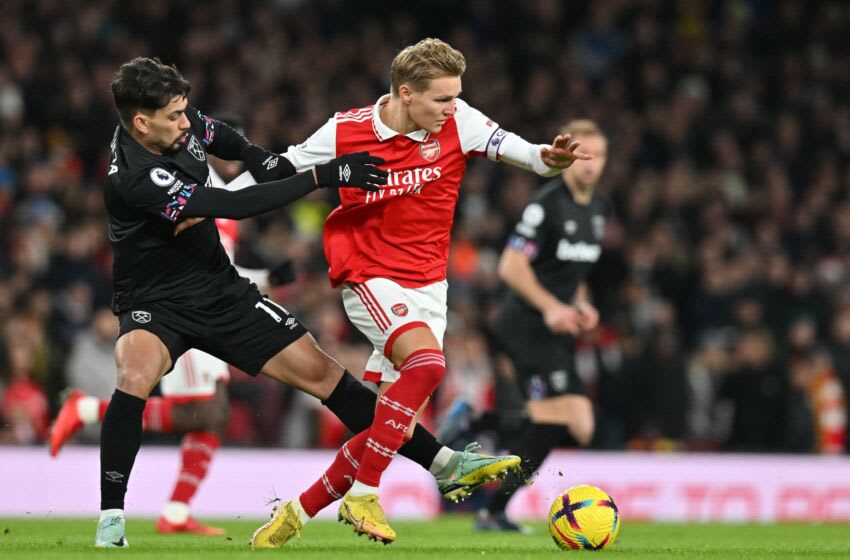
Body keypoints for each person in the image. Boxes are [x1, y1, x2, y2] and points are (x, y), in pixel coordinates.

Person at [93, 57, 513, 548]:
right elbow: (233, 205)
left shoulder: (176, 123)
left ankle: (444, 464)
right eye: (175, 117)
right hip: (154, 300)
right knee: (135, 375)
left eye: (185, 111)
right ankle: (111, 520)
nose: (186, 123)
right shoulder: (134, 178)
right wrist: (322, 176)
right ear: (141, 122)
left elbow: (216, 133)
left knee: (326, 376)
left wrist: (255, 155)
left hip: (221, 291)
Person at [249, 38, 591, 547]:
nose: (451, 108)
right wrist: (206, 204)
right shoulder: (348, 130)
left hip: (429, 285)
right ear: (406, 93)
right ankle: (365, 494)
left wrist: (551, 158)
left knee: (393, 426)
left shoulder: (460, 121)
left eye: (456, 97)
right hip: (368, 274)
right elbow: (282, 167)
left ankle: (296, 514)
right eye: (441, 99)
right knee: (428, 366)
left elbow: (534, 160)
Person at [49, 123, 296, 536]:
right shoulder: (190, 181)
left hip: (212, 300)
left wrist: (266, 276)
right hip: (187, 307)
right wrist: (268, 276)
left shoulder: (218, 188)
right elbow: (195, 259)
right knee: (206, 411)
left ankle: (177, 512)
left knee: (213, 415)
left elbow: (222, 265)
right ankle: (87, 410)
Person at [443, 119, 610, 532]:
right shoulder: (546, 205)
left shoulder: (598, 210)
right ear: (568, 156)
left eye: (600, 155)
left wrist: (583, 305)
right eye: (583, 155)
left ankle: (477, 432)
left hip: (554, 329)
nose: (591, 164)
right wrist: (553, 307)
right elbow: (511, 265)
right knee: (565, 420)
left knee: (573, 425)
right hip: (523, 325)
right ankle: (491, 496)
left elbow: (575, 273)